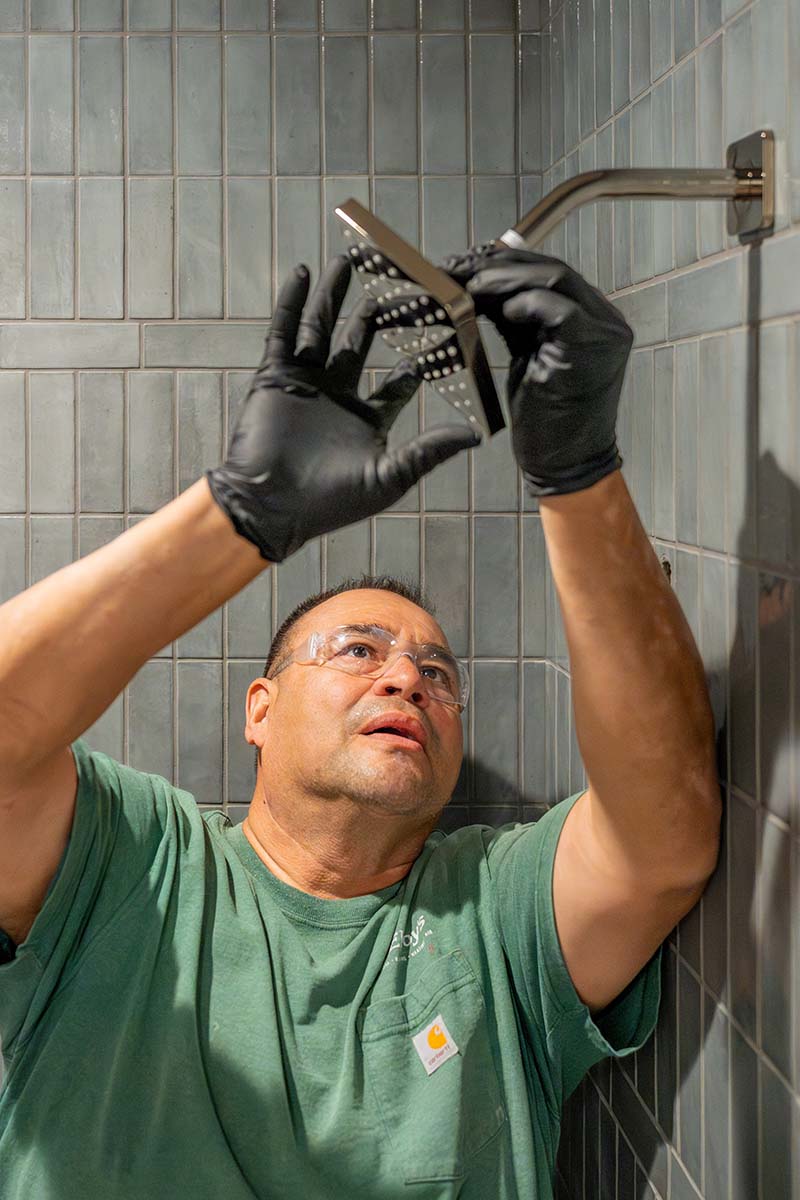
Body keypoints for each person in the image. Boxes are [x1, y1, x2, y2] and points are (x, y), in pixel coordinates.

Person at [0, 251, 720, 1199]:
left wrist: (580, 472)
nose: (407, 680)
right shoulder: (134, 865)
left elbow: (661, 841)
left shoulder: (494, 913)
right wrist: (239, 514)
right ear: (259, 710)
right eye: (357, 651)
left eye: (436, 673)